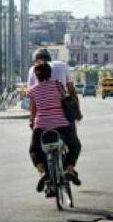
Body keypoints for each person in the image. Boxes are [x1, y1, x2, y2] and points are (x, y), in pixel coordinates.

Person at [27, 63, 82, 195]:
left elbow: (34, 110)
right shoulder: (57, 85)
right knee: (75, 145)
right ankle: (69, 169)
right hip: (61, 124)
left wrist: (32, 122)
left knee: (34, 150)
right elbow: (65, 100)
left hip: (41, 126)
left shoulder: (32, 91)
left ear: (36, 76)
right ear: (50, 74)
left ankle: (43, 174)